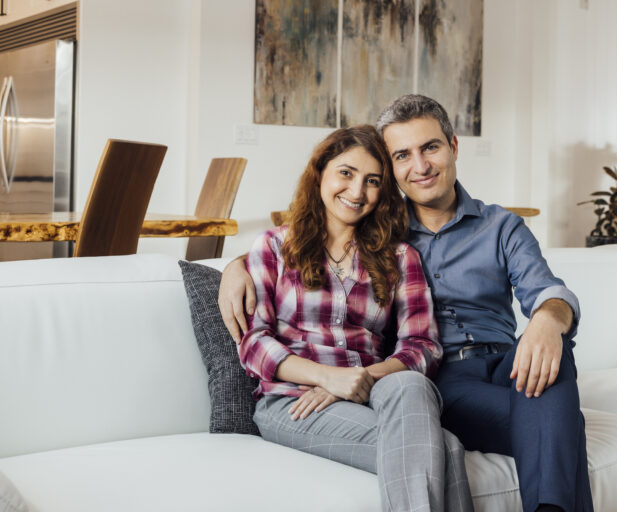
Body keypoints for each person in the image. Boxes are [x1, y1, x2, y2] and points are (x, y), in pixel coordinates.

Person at [221, 97, 593, 512]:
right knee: (555, 424)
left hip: (503, 364)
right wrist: (233, 267)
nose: (420, 166)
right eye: (402, 155)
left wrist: (547, 320)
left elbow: (545, 292)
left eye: (430, 148)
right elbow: (283, 285)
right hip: (442, 381)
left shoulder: (482, 230)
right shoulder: (360, 237)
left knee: (558, 353)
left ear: (454, 146)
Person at [235, 124, 474, 512]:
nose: (357, 191)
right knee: (445, 447)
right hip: (294, 403)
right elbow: (254, 342)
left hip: (372, 397)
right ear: (321, 174)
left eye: (372, 181)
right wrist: (326, 377)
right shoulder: (276, 246)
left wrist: (359, 379)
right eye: (346, 173)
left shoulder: (400, 258)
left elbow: (423, 346)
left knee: (410, 384)